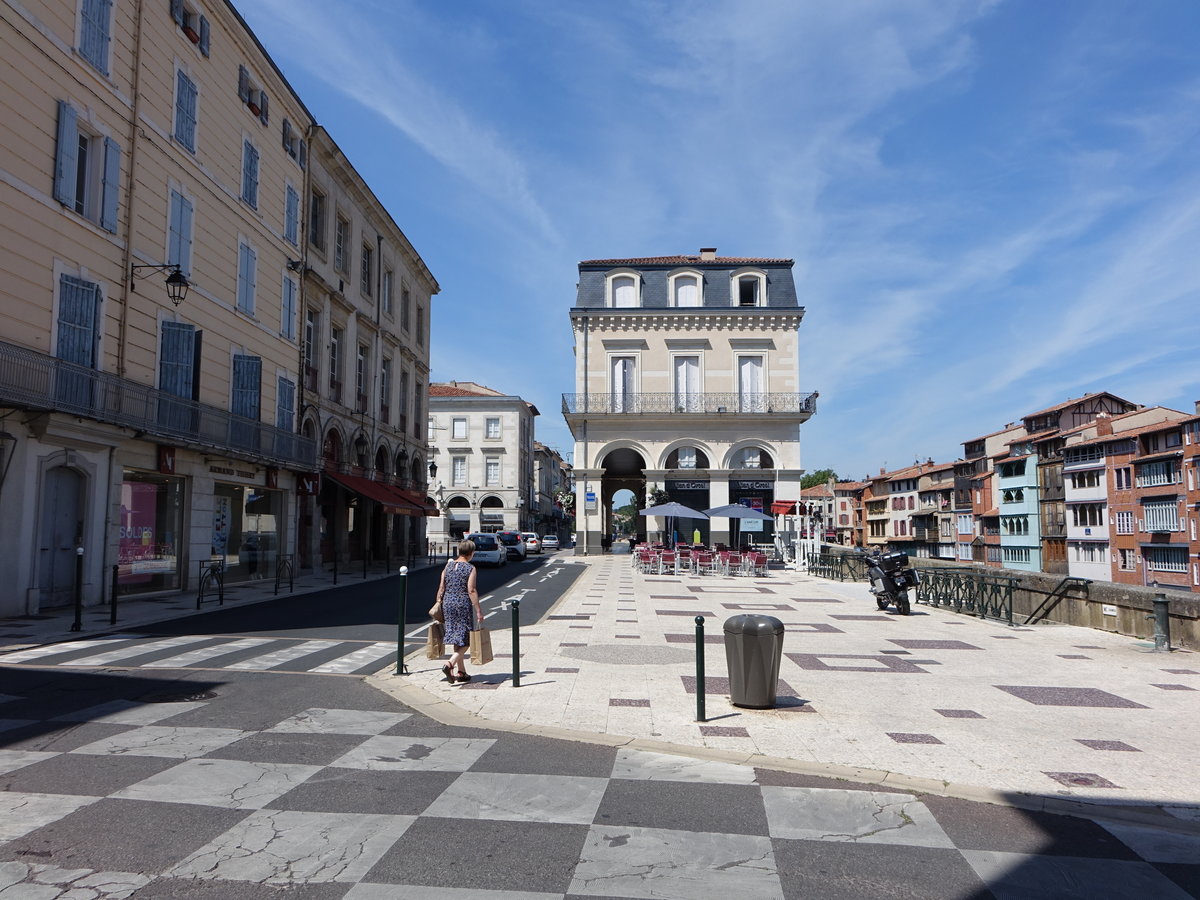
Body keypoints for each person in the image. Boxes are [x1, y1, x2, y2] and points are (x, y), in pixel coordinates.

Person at [432, 539, 482, 683]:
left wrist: (438, 604)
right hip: (462, 604)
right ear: (471, 553)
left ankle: (462, 672)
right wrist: (478, 610)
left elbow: (441, 587)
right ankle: (450, 664)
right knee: (466, 639)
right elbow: (471, 590)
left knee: (457, 637)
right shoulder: (470, 568)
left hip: (448, 603)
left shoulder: (448, 566)